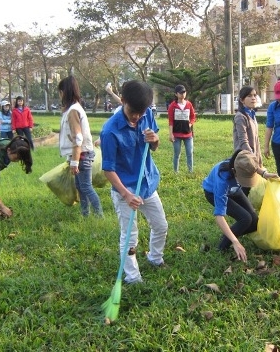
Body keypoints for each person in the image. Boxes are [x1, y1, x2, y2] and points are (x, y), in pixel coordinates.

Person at [100, 80, 168, 284]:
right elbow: (108, 169)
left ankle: (155, 258)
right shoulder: (110, 131)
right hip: (126, 189)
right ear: (122, 101)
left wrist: (155, 139)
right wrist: (126, 194)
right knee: (130, 235)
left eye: (141, 111)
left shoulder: (146, 114)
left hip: (147, 183)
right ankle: (132, 276)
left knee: (161, 225)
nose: (137, 116)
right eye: (133, 111)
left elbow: (155, 146)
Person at [202, 150, 278, 262]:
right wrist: (235, 241)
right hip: (213, 192)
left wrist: (264, 173)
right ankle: (221, 247)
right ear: (234, 171)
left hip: (234, 189)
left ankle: (228, 235)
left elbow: (252, 166)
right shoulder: (222, 180)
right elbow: (219, 216)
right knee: (245, 218)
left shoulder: (242, 160)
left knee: (255, 222)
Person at [58, 75, 103, 217]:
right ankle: (85, 214)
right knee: (80, 186)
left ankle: (99, 215)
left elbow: (77, 138)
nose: (59, 95)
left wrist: (75, 162)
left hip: (82, 155)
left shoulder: (73, 111)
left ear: (65, 92)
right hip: (81, 154)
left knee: (86, 187)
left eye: (60, 92)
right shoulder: (74, 109)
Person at [167, 84, 196, 173]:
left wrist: (190, 124)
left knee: (189, 153)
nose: (183, 94)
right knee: (177, 154)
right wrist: (171, 134)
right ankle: (176, 171)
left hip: (188, 134)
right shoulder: (172, 106)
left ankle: (190, 171)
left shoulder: (189, 104)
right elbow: (171, 121)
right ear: (176, 94)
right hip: (176, 134)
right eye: (180, 93)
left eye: (184, 92)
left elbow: (193, 116)